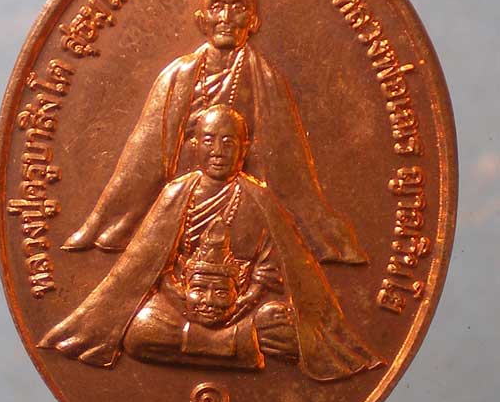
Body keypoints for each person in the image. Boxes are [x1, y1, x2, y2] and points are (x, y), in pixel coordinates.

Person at [39, 106, 383, 381]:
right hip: (182, 306)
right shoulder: (176, 194)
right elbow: (151, 263)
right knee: (139, 330)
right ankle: (238, 347)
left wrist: (244, 302)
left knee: (285, 326)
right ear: (194, 146)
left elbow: (272, 267)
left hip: (241, 307)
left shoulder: (259, 199)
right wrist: (182, 299)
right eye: (209, 140)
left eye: (228, 142)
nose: (218, 151)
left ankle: (223, 342)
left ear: (244, 149)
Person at [62, 0, 367, 265]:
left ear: (253, 21)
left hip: (243, 201)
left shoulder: (266, 79)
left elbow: (286, 163)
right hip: (183, 200)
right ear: (201, 20)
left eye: (237, 8)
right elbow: (142, 157)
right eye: (217, 7)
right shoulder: (177, 76)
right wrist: (100, 219)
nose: (225, 18)